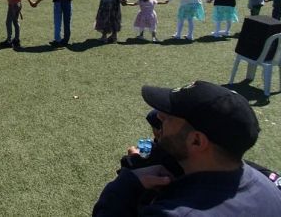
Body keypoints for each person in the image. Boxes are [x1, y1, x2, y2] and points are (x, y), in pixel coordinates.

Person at [92, 80, 281, 216]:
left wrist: (127, 183)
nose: (160, 117)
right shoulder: (269, 188)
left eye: (170, 116)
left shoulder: (175, 212)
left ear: (197, 141)